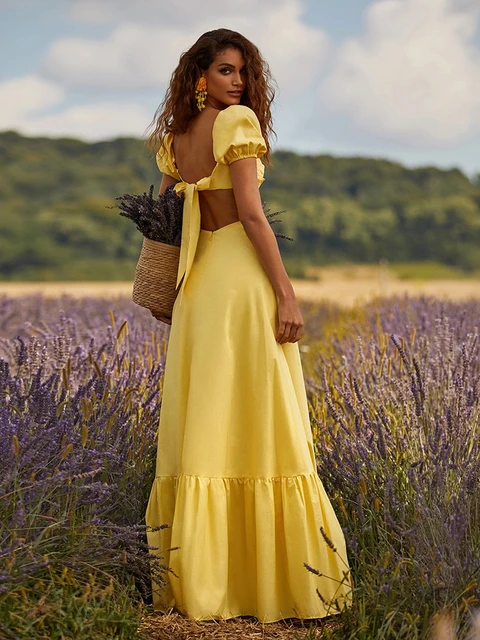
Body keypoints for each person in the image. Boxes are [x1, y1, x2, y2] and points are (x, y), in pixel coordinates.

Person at [144, 28, 353, 623]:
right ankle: (269, 582)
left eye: (243, 73)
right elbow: (255, 219)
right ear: (200, 77)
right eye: (227, 72)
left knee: (207, 417)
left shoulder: (174, 138)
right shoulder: (237, 126)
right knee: (266, 419)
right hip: (239, 281)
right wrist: (287, 294)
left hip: (198, 286)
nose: (238, 83)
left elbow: (161, 217)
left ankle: (203, 585)